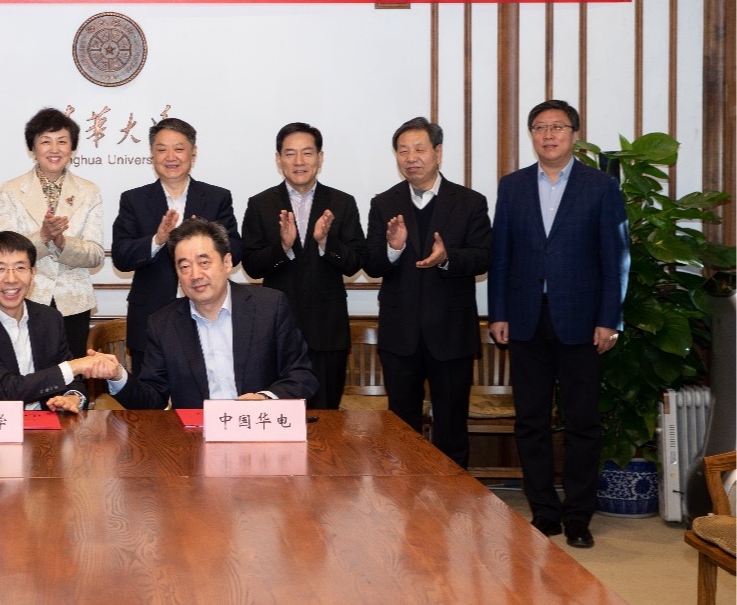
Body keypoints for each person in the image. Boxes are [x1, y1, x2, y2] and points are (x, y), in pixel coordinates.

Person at [489, 99, 630, 550]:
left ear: (574, 134)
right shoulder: (512, 186)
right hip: (525, 319)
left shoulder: (601, 186)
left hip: (582, 321)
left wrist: (609, 319)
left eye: (558, 127)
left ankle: (579, 515)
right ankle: (544, 511)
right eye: (539, 127)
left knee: (582, 423)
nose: (548, 135)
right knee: (530, 421)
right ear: (531, 135)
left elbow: (616, 258)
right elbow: (501, 256)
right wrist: (498, 313)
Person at [364, 117, 492, 468]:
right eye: (403, 150)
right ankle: (405, 494)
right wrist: (393, 249)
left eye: (419, 149)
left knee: (451, 424)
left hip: (451, 333)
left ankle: (455, 494)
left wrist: (448, 257)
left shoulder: (469, 202)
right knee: (402, 427)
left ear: (438, 152)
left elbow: (484, 256)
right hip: (400, 334)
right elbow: (371, 263)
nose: (411, 157)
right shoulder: (384, 203)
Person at [97, 219, 317, 409]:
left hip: (259, 428)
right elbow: (153, 398)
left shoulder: (269, 307)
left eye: (204, 263)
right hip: (196, 436)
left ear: (227, 262)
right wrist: (118, 376)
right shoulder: (163, 323)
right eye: (184, 267)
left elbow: (301, 375)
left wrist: (265, 399)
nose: (195, 275)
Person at [242, 122, 366, 409]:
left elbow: (356, 262)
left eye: (307, 153)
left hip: (327, 332)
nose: (299, 161)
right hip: (276, 333)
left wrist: (326, 243)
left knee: (327, 420)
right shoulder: (260, 204)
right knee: (278, 417)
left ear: (320, 158)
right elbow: (251, 266)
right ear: (279, 159)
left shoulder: (342, 203)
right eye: (290, 153)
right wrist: (283, 248)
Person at [112, 117, 243, 378]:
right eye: (162, 149)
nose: (170, 157)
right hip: (151, 314)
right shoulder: (134, 199)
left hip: (208, 313)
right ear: (152, 154)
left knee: (207, 388)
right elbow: (121, 256)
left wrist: (205, 238)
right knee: (150, 395)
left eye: (179, 149)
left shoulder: (216, 197)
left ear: (193, 153)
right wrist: (157, 240)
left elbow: (236, 250)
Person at [0, 232, 115, 412]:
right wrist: (75, 366)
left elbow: (71, 380)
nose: (11, 279)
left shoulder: (49, 318)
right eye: (0, 269)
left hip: (45, 423)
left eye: (20, 268)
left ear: (33, 273)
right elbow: (6, 391)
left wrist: (72, 397)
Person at [0, 108, 104, 358]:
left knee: (72, 370)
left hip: (74, 303)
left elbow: (96, 254)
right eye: (45, 141)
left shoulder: (89, 191)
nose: (54, 149)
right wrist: (43, 237)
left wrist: (63, 242)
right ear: (32, 148)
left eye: (62, 141)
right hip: (24, 297)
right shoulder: (11, 191)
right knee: (27, 370)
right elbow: (6, 253)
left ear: (72, 148)